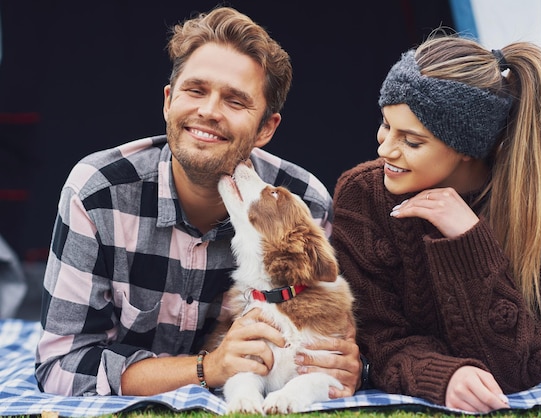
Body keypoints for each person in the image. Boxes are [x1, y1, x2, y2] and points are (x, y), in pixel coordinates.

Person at [35, 6, 360, 398]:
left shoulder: (305, 205)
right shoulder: (98, 193)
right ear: (169, 101)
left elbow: (336, 346)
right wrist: (209, 368)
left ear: (265, 129)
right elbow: (60, 366)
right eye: (196, 90)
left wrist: (342, 363)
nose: (208, 111)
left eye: (235, 101)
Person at [331, 33, 541, 413]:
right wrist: (442, 374)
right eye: (386, 124)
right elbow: (379, 337)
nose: (384, 149)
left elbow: (524, 366)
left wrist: (467, 238)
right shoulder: (362, 195)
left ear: (468, 148)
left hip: (540, 312)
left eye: (412, 141)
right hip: (431, 336)